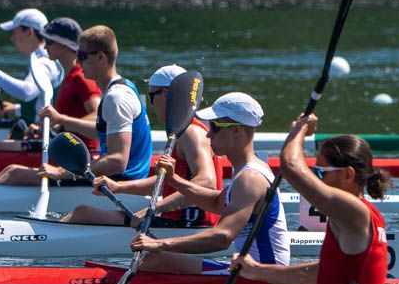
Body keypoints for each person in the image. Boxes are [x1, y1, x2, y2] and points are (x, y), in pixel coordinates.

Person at [193, 115, 390, 284]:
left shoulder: (354, 211)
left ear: (348, 175)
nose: (317, 179)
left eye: (321, 172)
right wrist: (257, 270)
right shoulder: (364, 215)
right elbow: (316, 275)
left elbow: (290, 166)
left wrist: (299, 131)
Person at [124, 91, 290, 273]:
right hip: (247, 271)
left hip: (264, 278)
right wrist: (174, 180)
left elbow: (222, 237)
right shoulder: (248, 170)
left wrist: (161, 243)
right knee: (158, 259)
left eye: (214, 127)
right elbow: (217, 202)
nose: (209, 135)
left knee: (158, 260)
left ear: (235, 130)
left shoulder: (251, 178)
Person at [63, 64, 222, 227]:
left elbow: (206, 181)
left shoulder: (191, 132)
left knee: (83, 213)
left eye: (151, 95)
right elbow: (165, 183)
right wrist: (118, 187)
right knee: (83, 212)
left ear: (166, 94)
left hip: (190, 224)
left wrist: (154, 208)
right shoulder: (182, 132)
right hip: (178, 220)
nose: (151, 104)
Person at [34, 25, 153, 186]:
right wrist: (62, 120)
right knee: (17, 171)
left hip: (120, 184)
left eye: (82, 56)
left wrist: (62, 172)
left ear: (100, 58)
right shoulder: (124, 86)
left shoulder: (116, 98)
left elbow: (118, 161)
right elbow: (103, 133)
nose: (77, 61)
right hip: (118, 179)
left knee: (16, 173)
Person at [0, 17, 101, 184]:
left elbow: (98, 117)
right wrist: (48, 130)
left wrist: (61, 124)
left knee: (14, 174)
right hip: (65, 153)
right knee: (11, 170)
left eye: (49, 41)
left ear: (64, 45)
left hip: (79, 160)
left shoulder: (81, 78)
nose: (45, 45)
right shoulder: (68, 76)